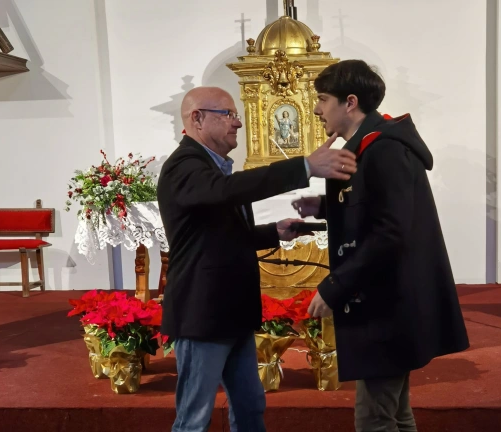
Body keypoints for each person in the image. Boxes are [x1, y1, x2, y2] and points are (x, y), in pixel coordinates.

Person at [157, 86, 357, 432]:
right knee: (194, 419)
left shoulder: (211, 167)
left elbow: (216, 237)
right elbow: (227, 192)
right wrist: (305, 166)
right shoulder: (184, 166)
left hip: (231, 311)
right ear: (197, 119)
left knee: (250, 408)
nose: (238, 123)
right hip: (203, 315)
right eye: (228, 114)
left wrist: (272, 233)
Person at [292, 60, 470, 432]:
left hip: (389, 303)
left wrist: (335, 287)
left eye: (322, 99)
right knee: (395, 415)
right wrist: (323, 207)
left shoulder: (384, 148)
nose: (316, 109)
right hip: (387, 299)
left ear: (350, 102)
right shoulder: (371, 144)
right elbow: (372, 206)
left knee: (374, 420)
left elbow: (391, 230)